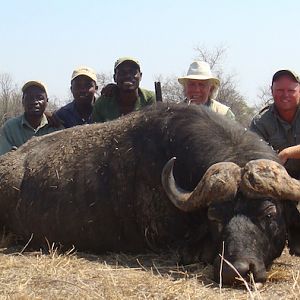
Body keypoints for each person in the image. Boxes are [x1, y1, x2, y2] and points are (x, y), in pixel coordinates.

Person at [250, 69, 300, 179]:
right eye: (280, 90)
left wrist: (287, 153)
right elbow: (253, 157)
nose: (285, 95)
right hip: (278, 180)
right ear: (272, 91)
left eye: (291, 90)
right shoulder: (260, 122)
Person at [0, 80, 63, 155]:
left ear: (47, 101)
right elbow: (4, 160)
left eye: (40, 98)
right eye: (29, 98)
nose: (35, 101)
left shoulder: (56, 128)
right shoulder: (10, 128)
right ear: (23, 101)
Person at [92, 57, 156, 122]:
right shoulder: (103, 103)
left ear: (140, 76)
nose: (128, 76)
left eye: (132, 72)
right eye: (122, 72)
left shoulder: (150, 99)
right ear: (115, 78)